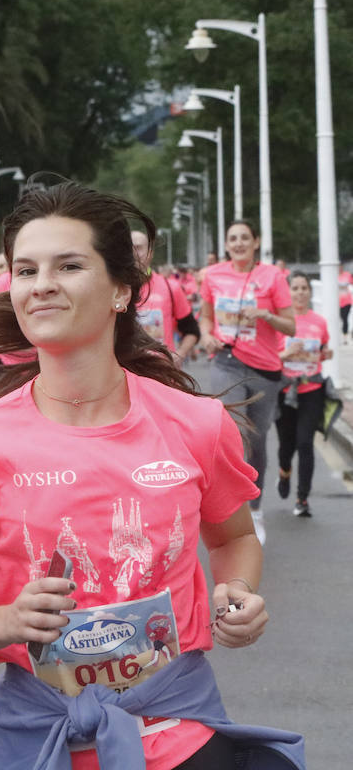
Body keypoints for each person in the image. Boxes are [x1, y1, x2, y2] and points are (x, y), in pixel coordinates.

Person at [0, 180, 305, 770]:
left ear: (123, 289)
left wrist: (237, 594)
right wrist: (7, 620)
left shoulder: (192, 424)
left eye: (68, 266)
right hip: (41, 750)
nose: (40, 285)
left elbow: (233, 538)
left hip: (176, 737)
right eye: (25, 270)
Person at [198, 219, 296, 544]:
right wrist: (206, 335)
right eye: (232, 239)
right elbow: (206, 315)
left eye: (244, 238)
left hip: (265, 369)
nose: (238, 243)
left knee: (256, 439)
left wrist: (267, 316)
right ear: (227, 245)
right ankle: (230, 510)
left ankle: (255, 508)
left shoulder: (273, 277)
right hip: (226, 359)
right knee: (232, 432)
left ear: (256, 242)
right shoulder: (213, 275)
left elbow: (291, 327)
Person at [275, 273, 333, 518]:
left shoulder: (319, 322)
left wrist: (325, 355)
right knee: (287, 446)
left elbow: (323, 349)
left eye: (304, 288)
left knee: (305, 443)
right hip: (285, 391)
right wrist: (286, 353)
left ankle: (302, 498)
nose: (300, 292)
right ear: (289, 293)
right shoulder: (280, 323)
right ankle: (285, 470)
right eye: (295, 288)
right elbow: (269, 359)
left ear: (310, 292)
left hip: (312, 390)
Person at [131, 231, 199, 360]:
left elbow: (192, 331)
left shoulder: (170, 287)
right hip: (124, 372)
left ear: (150, 253)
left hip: (161, 370)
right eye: (127, 248)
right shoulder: (112, 288)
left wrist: (180, 354)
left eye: (138, 248)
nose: (133, 253)